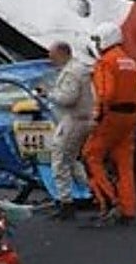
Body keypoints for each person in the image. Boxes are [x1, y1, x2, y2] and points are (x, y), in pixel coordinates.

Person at [83, 22, 136, 226]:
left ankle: (109, 202)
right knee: (124, 165)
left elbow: (105, 93)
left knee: (91, 156)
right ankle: (128, 208)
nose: (97, 45)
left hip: (112, 116)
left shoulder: (106, 62)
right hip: (130, 117)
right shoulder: (131, 62)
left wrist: (97, 116)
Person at [35, 41, 94, 221]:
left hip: (74, 119)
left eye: (52, 55)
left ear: (62, 53)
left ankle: (66, 202)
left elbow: (68, 98)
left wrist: (48, 94)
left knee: (59, 159)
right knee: (71, 160)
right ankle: (93, 192)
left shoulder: (72, 72)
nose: (50, 59)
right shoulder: (79, 69)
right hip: (80, 118)